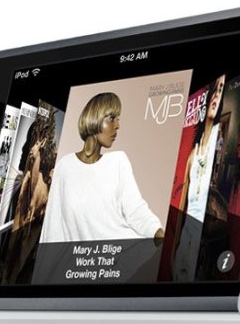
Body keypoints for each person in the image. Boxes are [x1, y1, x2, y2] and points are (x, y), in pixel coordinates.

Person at [40, 92, 164, 242]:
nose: (117, 126)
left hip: (121, 252)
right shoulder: (65, 166)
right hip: (80, 256)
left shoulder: (118, 161)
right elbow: (53, 228)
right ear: (94, 117)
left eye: (118, 119)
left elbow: (135, 209)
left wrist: (157, 231)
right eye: (111, 118)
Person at [173, 74, 226, 281]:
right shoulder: (192, 155)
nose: (217, 95)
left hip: (205, 239)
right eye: (215, 89)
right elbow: (181, 208)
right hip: (186, 235)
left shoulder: (218, 141)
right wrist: (174, 250)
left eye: (221, 90)